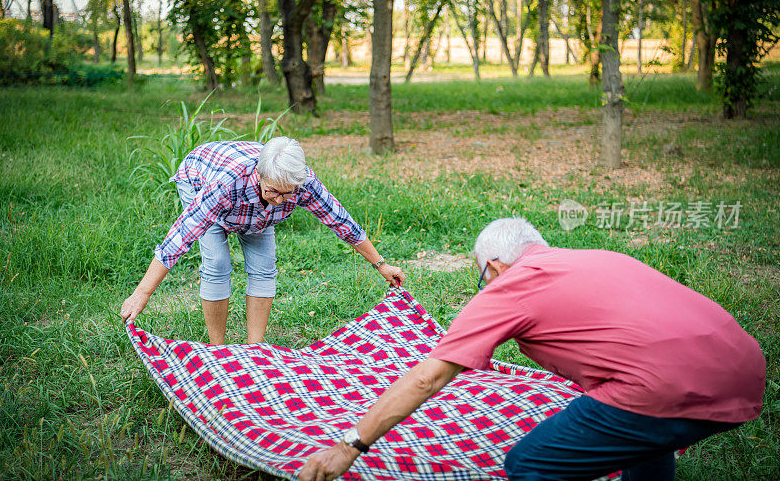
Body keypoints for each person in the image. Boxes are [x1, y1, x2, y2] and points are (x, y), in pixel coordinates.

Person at [299, 217, 766, 481]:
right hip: (743, 371)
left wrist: (351, 446)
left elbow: (428, 376)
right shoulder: (600, 258)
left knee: (529, 464)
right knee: (643, 434)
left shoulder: (511, 287)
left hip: (659, 387)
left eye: (481, 278)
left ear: (495, 268)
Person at [120, 137, 404, 344]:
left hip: (253, 211)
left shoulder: (302, 183)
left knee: (264, 265)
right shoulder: (226, 184)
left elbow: (342, 222)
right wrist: (142, 292)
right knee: (217, 262)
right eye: (273, 192)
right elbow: (180, 237)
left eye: (288, 194)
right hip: (200, 176)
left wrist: (381, 264)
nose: (281, 199)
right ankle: (218, 349)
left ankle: (255, 349)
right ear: (259, 174)